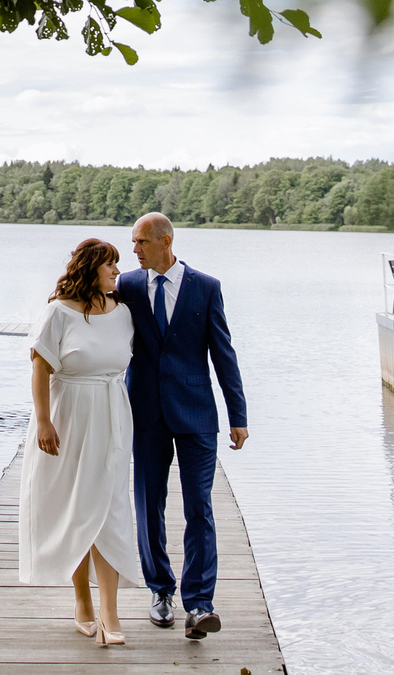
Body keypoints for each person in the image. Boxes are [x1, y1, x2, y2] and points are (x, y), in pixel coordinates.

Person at [117, 213, 247, 639]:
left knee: (199, 509)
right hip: (146, 413)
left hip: (196, 414)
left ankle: (199, 603)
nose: (133, 250)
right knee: (148, 504)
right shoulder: (130, 286)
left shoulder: (206, 288)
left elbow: (223, 354)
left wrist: (237, 417)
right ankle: (160, 590)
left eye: (139, 242)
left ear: (164, 241)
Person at [22, 238, 146, 646]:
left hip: (112, 417)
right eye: (111, 265)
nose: (117, 272)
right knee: (78, 509)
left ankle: (110, 613)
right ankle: (82, 602)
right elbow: (41, 370)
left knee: (109, 511)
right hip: (69, 417)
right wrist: (43, 422)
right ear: (91, 267)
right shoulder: (57, 313)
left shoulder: (124, 313)